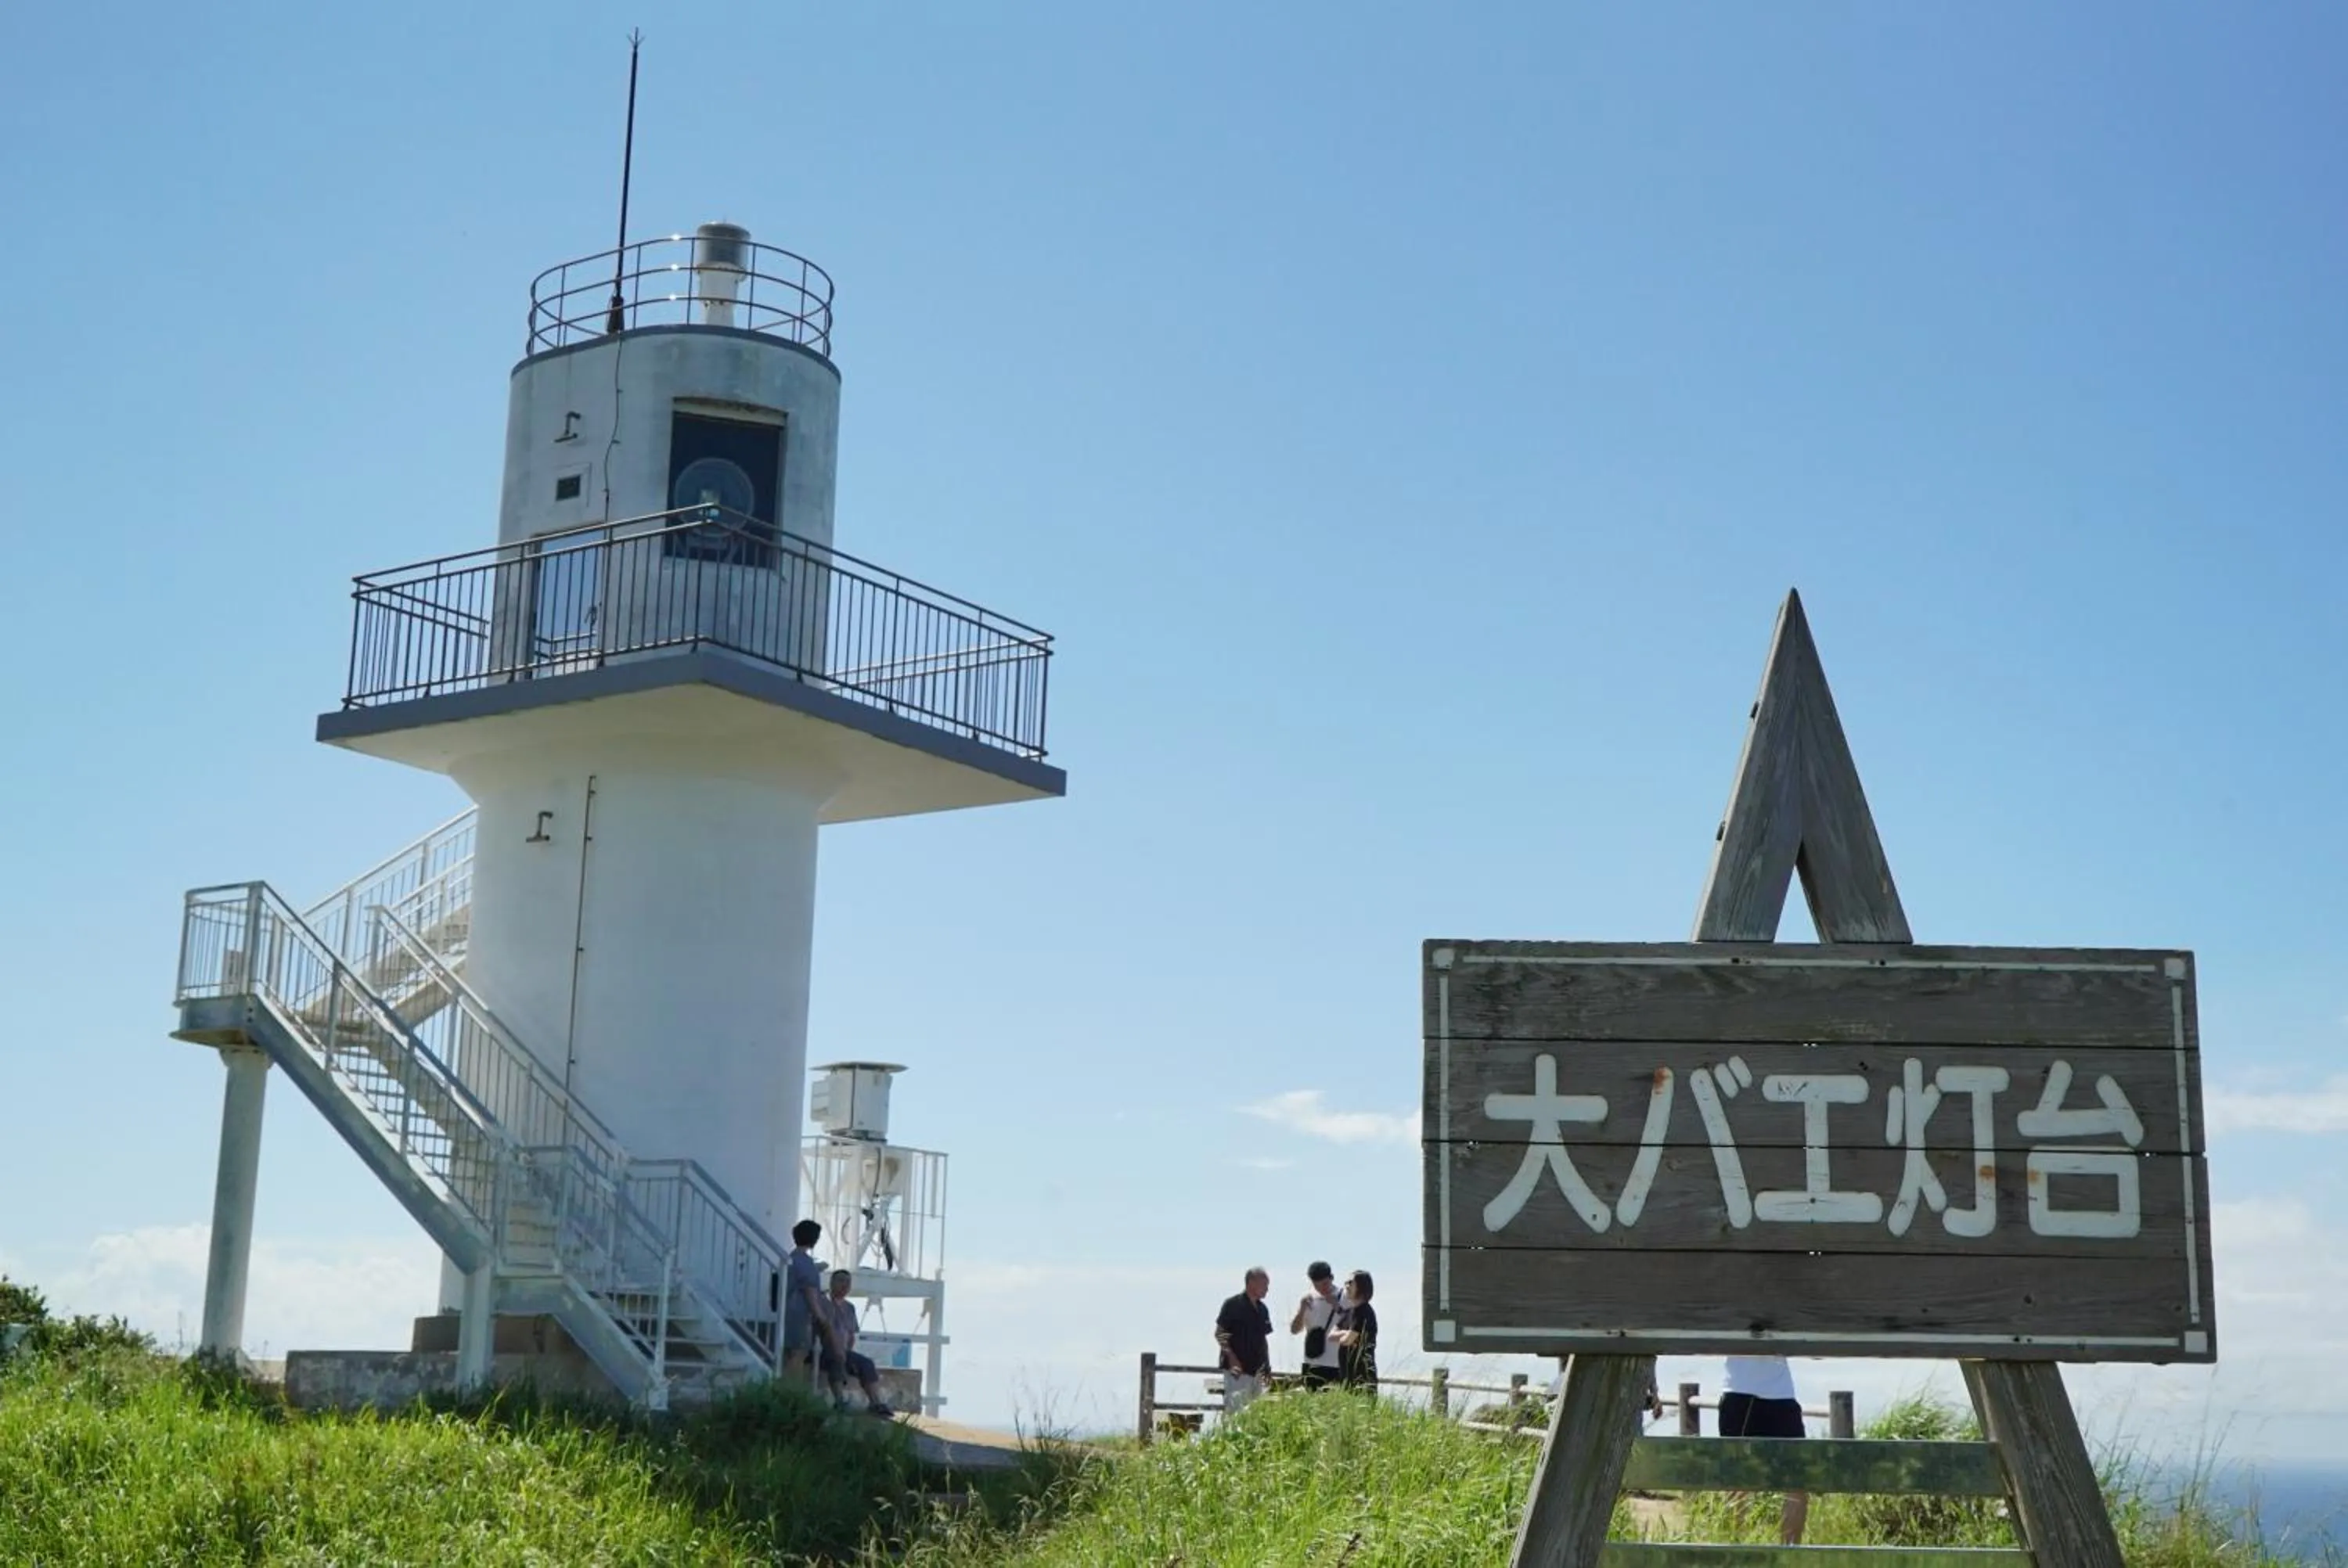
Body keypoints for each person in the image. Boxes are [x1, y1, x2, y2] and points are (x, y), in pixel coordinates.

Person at [1720, 1354, 1809, 1545]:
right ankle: (1736, 1553)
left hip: (1774, 1392)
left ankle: (1788, 1556)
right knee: (1737, 1483)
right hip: (1745, 1390)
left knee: (1798, 1482)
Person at [819, 1270, 895, 1417]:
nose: (845, 1285)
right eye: (841, 1281)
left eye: (848, 1282)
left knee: (866, 1364)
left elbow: (851, 1333)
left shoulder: (849, 1307)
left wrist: (847, 1350)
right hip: (822, 1350)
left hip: (844, 1349)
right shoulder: (823, 1303)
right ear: (832, 1282)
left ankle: (876, 1403)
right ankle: (840, 1401)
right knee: (836, 1359)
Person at [780, 1219, 838, 1383]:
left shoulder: (790, 1259)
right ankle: (789, 1391)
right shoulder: (807, 1264)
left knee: (789, 1354)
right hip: (801, 1316)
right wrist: (822, 1319)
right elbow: (810, 1294)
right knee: (799, 1354)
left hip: (787, 1313)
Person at [1214, 1267, 1273, 1415]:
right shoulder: (1232, 1304)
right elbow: (1220, 1333)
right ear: (1252, 1283)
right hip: (1238, 1371)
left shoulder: (1263, 1309)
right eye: (1264, 1284)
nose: (1267, 1289)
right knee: (1236, 1413)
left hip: (1258, 1372)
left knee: (1257, 1415)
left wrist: (1267, 1368)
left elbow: (1263, 1340)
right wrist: (1232, 1358)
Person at [1289, 1261, 1343, 1390]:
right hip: (1312, 1362)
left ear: (1332, 1278)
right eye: (1316, 1285)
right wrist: (1301, 1310)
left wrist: (1337, 1306)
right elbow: (1294, 1330)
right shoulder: (1308, 1299)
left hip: (1337, 1363)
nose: (1322, 1289)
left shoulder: (1344, 1296)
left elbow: (1354, 1325)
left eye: (1325, 1284)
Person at [1331, 1269, 1378, 1394]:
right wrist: (1347, 1333)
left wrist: (1345, 1335)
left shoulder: (1364, 1312)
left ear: (1362, 1286)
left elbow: (1347, 1341)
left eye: (1351, 1282)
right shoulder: (1348, 1312)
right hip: (1347, 1376)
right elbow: (1331, 1336)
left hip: (1362, 1377)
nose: (1346, 1286)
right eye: (1346, 1282)